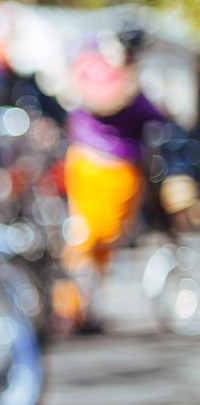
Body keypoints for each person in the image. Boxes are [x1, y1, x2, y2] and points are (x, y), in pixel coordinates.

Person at [55, 29, 168, 332]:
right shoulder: (104, 75)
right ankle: (72, 306)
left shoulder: (104, 74)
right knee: (88, 239)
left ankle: (84, 306)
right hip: (100, 166)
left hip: (106, 168)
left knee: (97, 242)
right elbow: (113, 103)